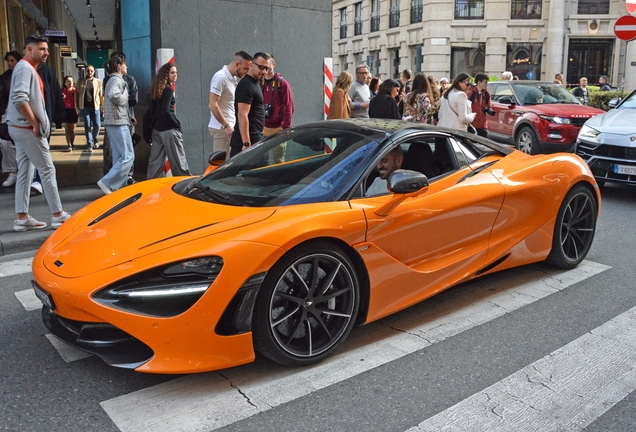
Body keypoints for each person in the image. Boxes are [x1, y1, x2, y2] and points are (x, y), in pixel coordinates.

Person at [7, 34, 70, 231]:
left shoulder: (26, 68)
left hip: (20, 127)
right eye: (41, 49)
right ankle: (58, 215)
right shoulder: (25, 68)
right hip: (27, 129)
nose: (46, 53)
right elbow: (19, 98)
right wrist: (34, 122)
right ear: (29, 49)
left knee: (26, 170)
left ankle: (22, 217)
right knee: (47, 169)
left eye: (47, 49)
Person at [97, 54, 134, 194]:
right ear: (119, 66)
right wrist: (125, 96)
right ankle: (108, 182)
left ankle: (119, 188)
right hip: (118, 122)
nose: (127, 67)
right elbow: (114, 95)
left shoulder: (113, 79)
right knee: (128, 156)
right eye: (125, 64)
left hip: (116, 121)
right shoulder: (116, 80)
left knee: (120, 156)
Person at [147, 63, 190, 179]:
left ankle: (151, 187)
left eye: (176, 72)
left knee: (155, 163)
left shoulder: (157, 89)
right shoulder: (168, 90)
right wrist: (176, 124)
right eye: (172, 72)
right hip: (169, 130)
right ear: (166, 74)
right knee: (178, 161)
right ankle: (184, 185)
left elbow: (152, 111)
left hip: (156, 130)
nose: (175, 75)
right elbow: (166, 111)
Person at [208, 51, 252, 159]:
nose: (246, 72)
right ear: (237, 64)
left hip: (229, 128)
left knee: (227, 164)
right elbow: (212, 104)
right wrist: (226, 125)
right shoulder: (220, 77)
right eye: (245, 68)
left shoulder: (233, 78)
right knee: (219, 166)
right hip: (222, 129)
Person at [229, 52, 270, 157]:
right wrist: (246, 144)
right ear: (251, 65)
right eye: (261, 67)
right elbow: (242, 115)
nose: (264, 72)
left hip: (256, 139)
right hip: (247, 143)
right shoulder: (247, 85)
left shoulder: (255, 83)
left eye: (267, 69)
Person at [260, 54, 294, 137]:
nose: (267, 67)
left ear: (274, 65)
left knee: (279, 150)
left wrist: (285, 128)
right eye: (264, 65)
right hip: (262, 128)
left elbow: (289, 106)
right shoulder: (259, 83)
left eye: (269, 63)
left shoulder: (282, 83)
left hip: (278, 128)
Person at [0, 51, 21, 188]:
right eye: (9, 61)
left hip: (21, 113)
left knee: (22, 144)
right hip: (6, 113)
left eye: (13, 60)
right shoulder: (4, 77)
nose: (10, 63)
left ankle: (25, 173)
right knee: (4, 142)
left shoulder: (24, 75)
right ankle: (12, 171)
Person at [75, 65, 103, 151]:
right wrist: (77, 107)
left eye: (91, 71)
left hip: (96, 107)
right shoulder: (81, 81)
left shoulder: (98, 81)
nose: (89, 72)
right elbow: (76, 94)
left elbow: (101, 95)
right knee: (87, 125)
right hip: (84, 107)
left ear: (94, 72)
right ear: (85, 71)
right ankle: (90, 144)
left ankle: (95, 138)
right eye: (88, 71)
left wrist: (103, 107)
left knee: (97, 125)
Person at [468, 73, 494, 138]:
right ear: (479, 82)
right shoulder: (470, 93)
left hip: (483, 125)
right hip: (471, 125)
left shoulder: (487, 94)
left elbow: (489, 106)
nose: (487, 84)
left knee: (483, 146)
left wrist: (489, 111)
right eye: (485, 82)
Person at [61, 76, 78, 151]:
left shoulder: (76, 91)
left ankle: (72, 142)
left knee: (73, 129)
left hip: (73, 110)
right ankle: (69, 145)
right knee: (67, 129)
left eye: (71, 81)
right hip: (65, 110)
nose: (70, 83)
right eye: (68, 81)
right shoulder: (62, 91)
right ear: (65, 83)